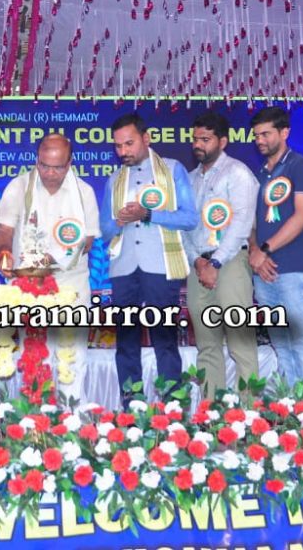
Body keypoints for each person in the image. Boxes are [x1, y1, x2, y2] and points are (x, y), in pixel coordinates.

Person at [0, 134, 100, 403]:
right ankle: (35, 420)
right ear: (37, 160)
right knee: (33, 356)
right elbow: (4, 230)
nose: (50, 173)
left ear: (70, 163)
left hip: (70, 286)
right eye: (44, 165)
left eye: (58, 167)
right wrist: (4, 252)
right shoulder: (19, 186)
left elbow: (87, 241)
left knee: (72, 360)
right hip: (29, 287)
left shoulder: (84, 192)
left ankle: (71, 420)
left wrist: (48, 260)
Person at [100, 114, 197, 403]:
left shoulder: (173, 170)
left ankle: (172, 408)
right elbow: (105, 230)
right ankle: (132, 408)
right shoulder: (114, 179)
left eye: (129, 144)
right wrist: (120, 221)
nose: (123, 151)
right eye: (118, 146)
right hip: (123, 268)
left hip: (160, 265)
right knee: (126, 343)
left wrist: (148, 214)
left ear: (146, 138)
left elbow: (189, 218)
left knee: (164, 341)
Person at [184, 112, 259, 400]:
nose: (198, 145)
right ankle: (212, 414)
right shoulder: (189, 179)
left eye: (205, 139)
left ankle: (249, 415)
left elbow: (242, 223)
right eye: (195, 139)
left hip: (230, 264)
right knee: (207, 346)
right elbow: (185, 227)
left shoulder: (238, 173)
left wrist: (215, 262)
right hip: (199, 268)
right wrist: (197, 260)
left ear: (223, 141)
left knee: (241, 345)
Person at [247, 106, 303, 388]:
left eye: (266, 134)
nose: (260, 140)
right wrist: (255, 251)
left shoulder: (300, 166)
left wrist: (264, 250)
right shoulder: (260, 174)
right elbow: (251, 223)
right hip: (263, 273)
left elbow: (302, 217)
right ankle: (293, 407)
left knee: (302, 344)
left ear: (285, 132)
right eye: (257, 135)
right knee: (281, 347)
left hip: (293, 270)